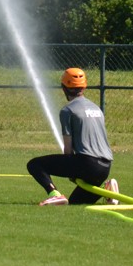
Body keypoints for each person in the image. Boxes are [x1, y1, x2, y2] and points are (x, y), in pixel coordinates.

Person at [26, 67, 118, 206]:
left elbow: (68, 149)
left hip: (87, 164)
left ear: (64, 87)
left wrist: (71, 171)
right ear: (84, 87)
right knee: (75, 202)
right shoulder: (96, 108)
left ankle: (54, 194)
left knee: (35, 164)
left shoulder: (67, 110)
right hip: (105, 167)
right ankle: (109, 190)